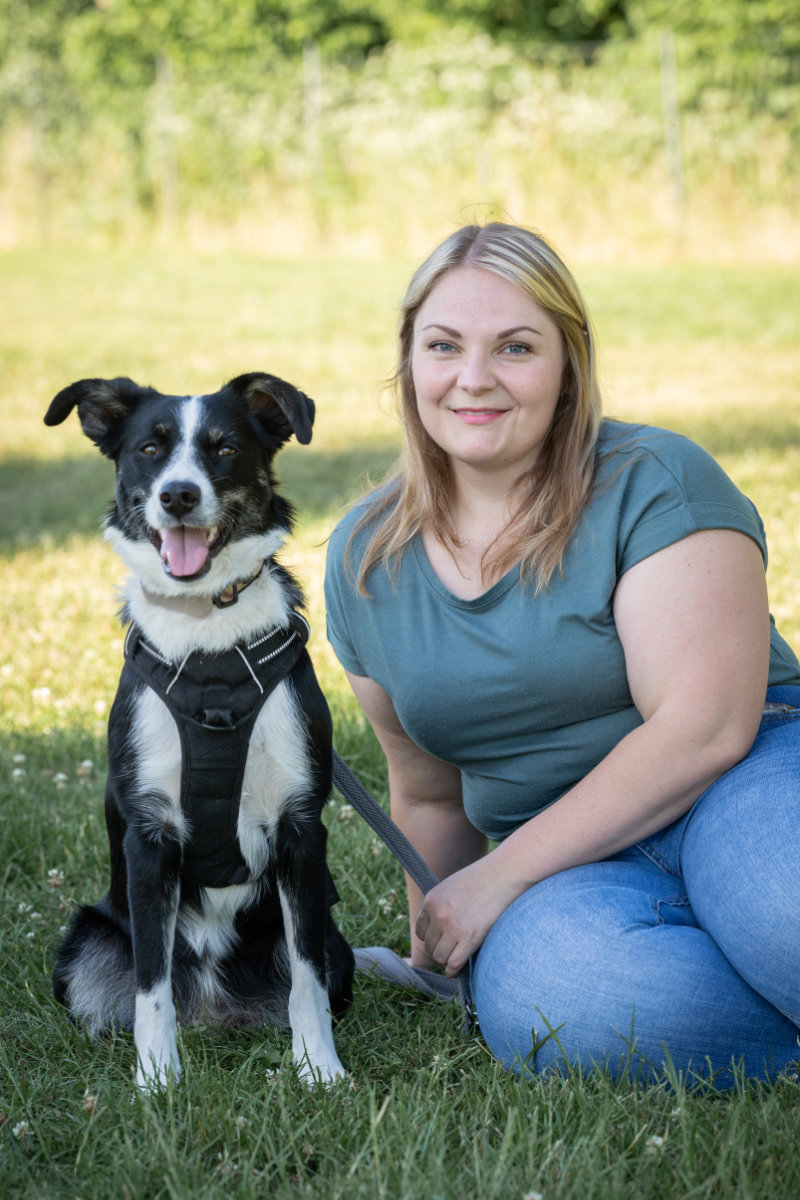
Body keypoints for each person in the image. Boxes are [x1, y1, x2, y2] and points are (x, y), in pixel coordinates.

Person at [324, 221, 800, 1086]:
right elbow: (428, 789)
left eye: (516, 347)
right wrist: (439, 944)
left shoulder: (653, 478)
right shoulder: (366, 558)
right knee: (565, 996)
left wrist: (495, 879)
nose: (474, 378)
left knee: (782, 910)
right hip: (572, 867)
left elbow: (705, 728)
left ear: (568, 364)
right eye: (443, 346)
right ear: (409, 365)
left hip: (748, 778)